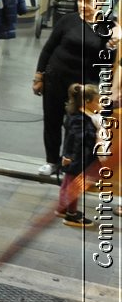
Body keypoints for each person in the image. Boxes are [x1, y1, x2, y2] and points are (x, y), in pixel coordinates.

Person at [36, 0, 111, 177]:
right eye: (79, 0)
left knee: (76, 125)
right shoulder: (67, 20)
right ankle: (51, 161)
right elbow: (48, 49)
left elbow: (108, 62)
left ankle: (69, 164)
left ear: (101, 2)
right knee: (51, 121)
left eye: (88, 1)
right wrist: (39, 76)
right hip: (56, 78)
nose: (82, 5)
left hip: (83, 87)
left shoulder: (107, 28)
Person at [58, 82, 101, 227]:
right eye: (97, 101)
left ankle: (63, 208)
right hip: (79, 158)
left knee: (67, 182)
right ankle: (71, 215)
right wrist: (71, 157)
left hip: (73, 157)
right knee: (74, 186)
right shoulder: (81, 120)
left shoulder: (77, 115)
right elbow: (78, 140)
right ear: (87, 102)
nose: (100, 104)